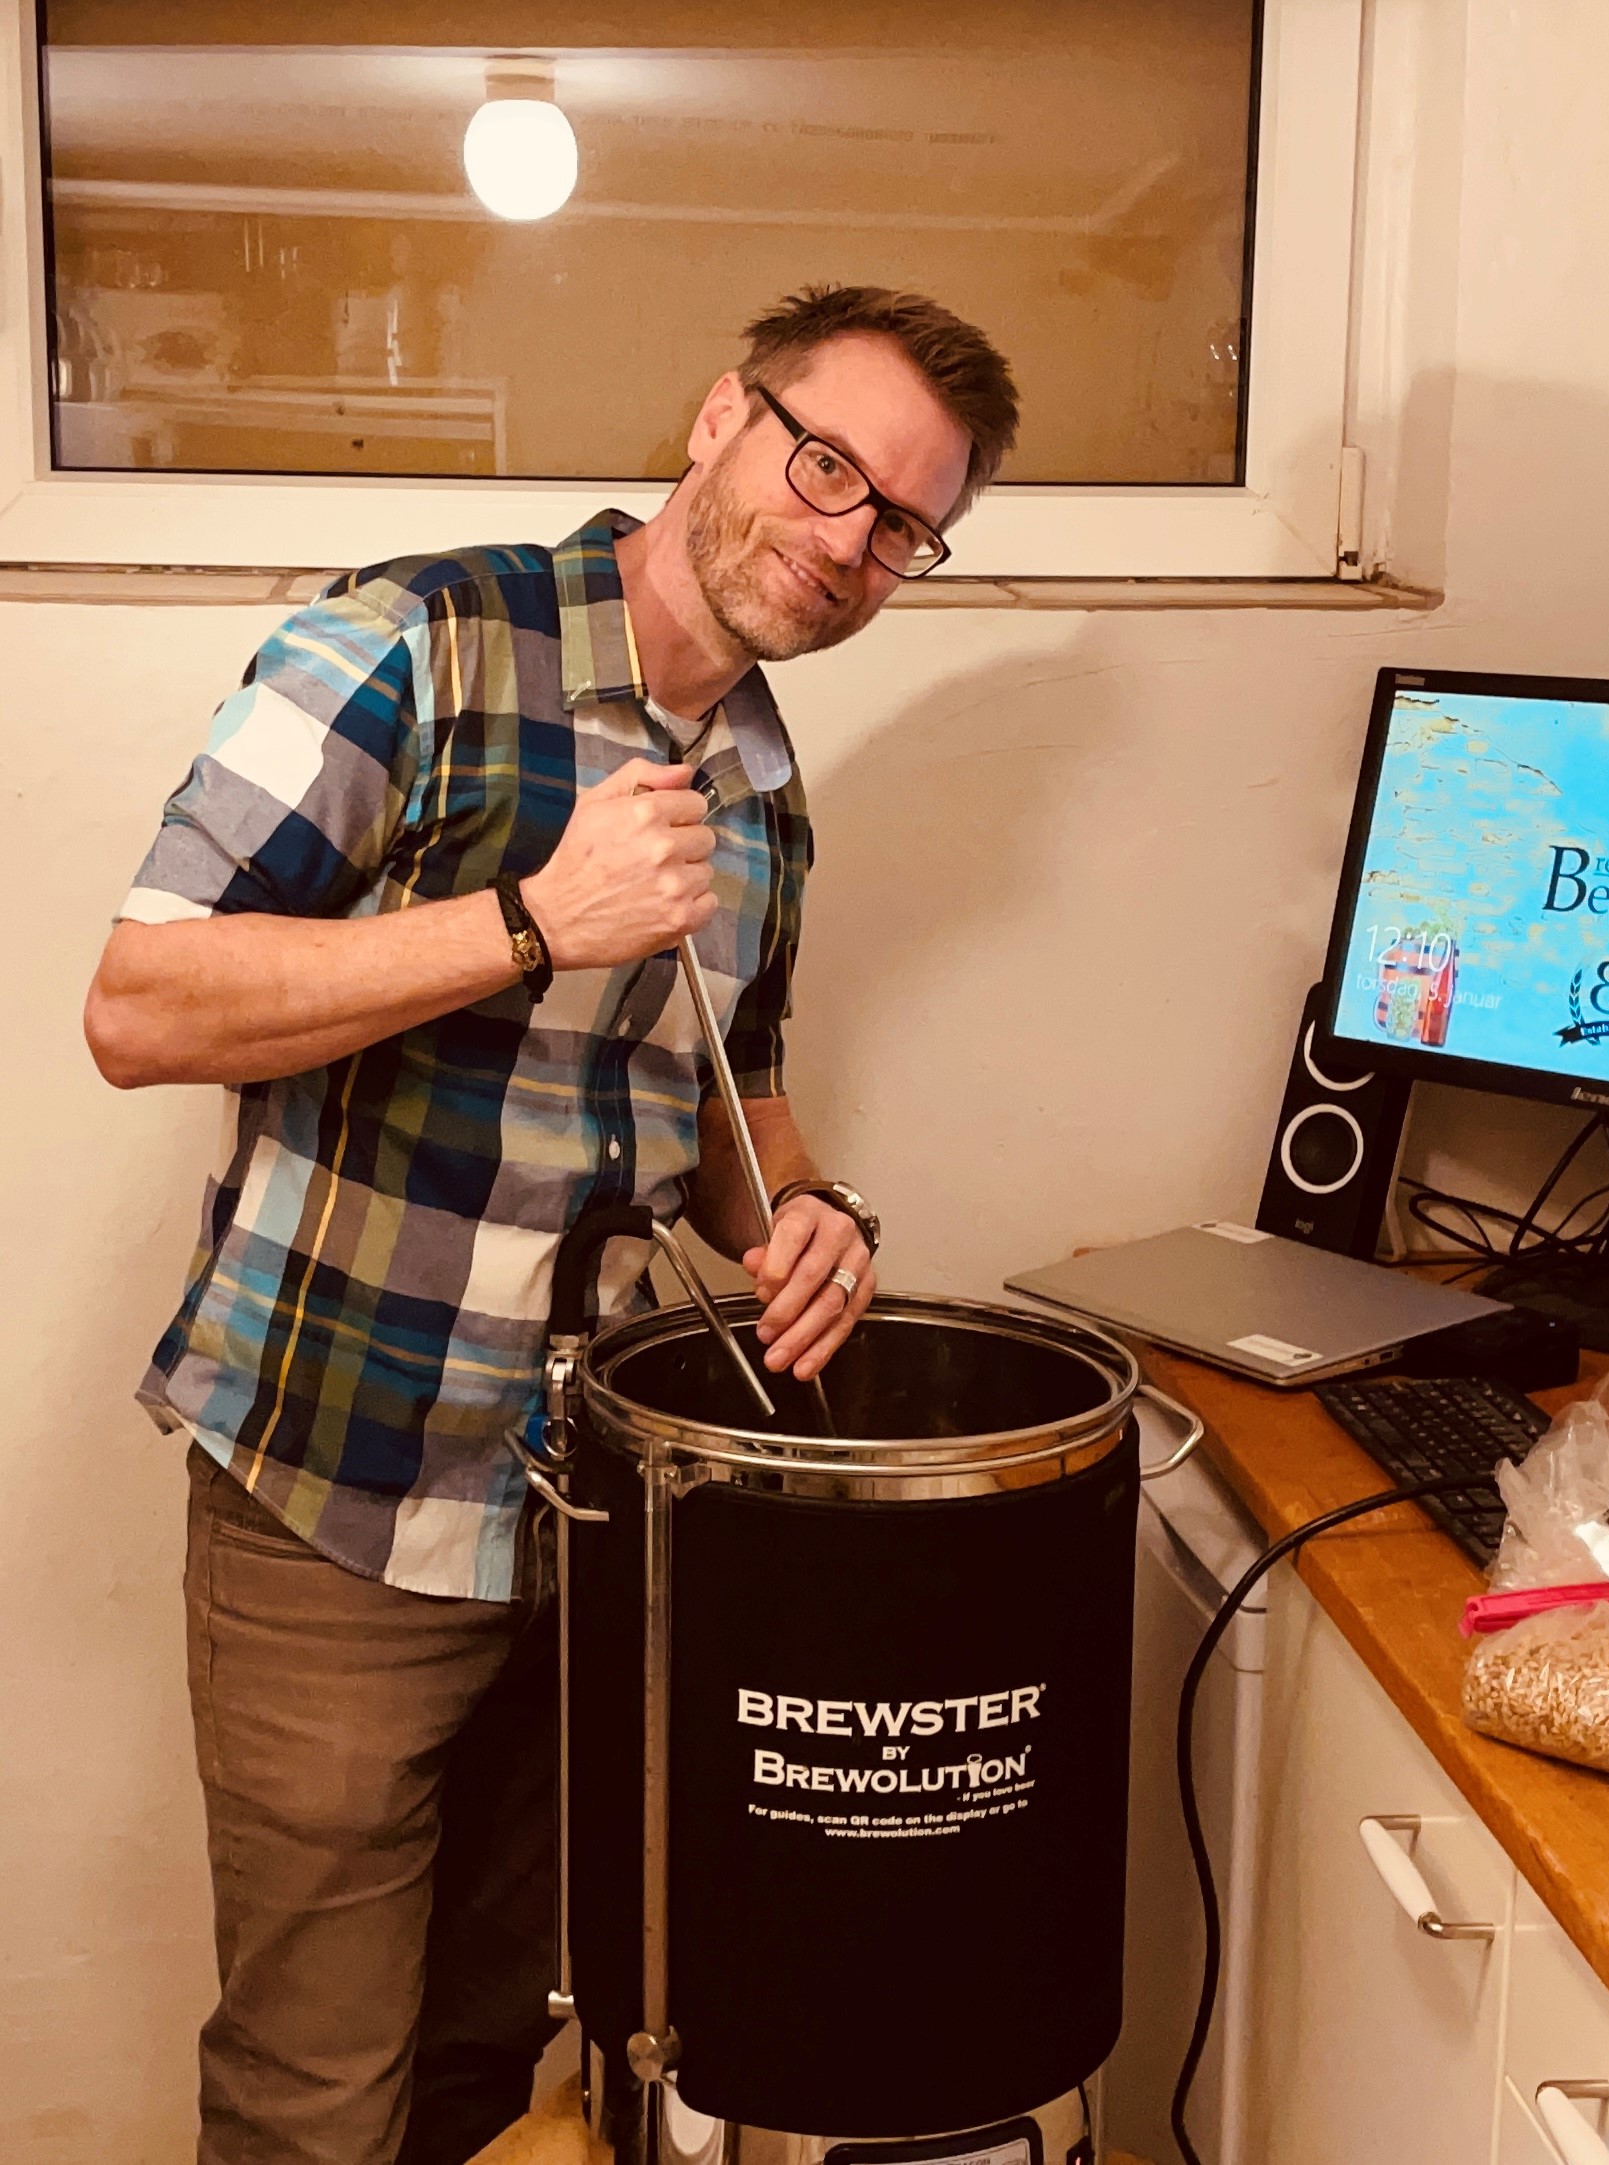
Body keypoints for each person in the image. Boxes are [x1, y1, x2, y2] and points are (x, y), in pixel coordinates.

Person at [82, 285, 1021, 2165]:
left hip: (588, 1523)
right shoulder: (414, 640)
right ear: (719, 418)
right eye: (828, 468)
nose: (849, 542)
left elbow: (726, 1095)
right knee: (312, 2092)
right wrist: (528, 919)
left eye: (904, 527)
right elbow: (142, 1005)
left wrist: (803, 1209)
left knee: (487, 2054)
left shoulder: (763, 791)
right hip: (336, 1494)